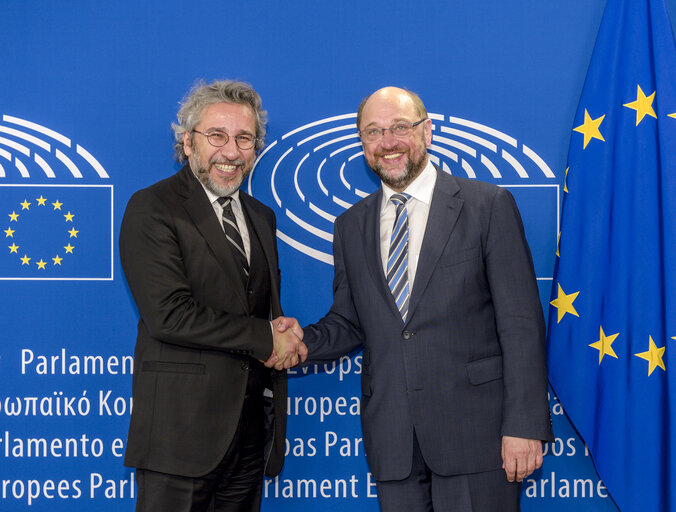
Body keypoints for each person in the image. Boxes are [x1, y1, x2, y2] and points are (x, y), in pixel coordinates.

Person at [278, 86, 553, 511]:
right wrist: (298, 342)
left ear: (427, 132)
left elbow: (520, 325)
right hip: (394, 441)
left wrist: (524, 425)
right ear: (363, 144)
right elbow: (350, 322)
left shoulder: (487, 206)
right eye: (373, 132)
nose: (387, 143)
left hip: (478, 438)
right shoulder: (350, 226)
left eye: (400, 128)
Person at [120, 79, 306, 512]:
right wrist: (264, 338)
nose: (231, 151)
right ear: (188, 143)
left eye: (244, 138)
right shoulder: (153, 207)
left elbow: (253, 307)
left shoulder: (261, 216)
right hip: (179, 437)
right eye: (217, 136)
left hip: (248, 434)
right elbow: (169, 314)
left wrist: (278, 328)